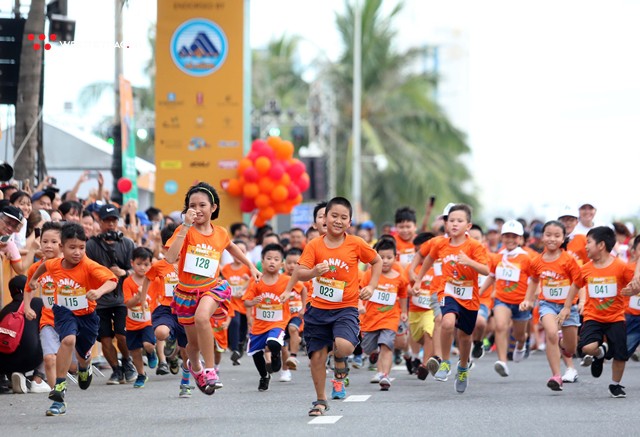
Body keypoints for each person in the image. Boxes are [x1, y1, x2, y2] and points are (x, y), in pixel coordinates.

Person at [281, 197, 381, 416]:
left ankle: (339, 358)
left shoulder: (355, 243)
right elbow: (300, 272)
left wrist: (372, 286)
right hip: (317, 309)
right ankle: (320, 400)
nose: (338, 221)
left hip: (346, 308)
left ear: (350, 221)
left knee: (344, 346)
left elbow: (377, 261)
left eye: (343, 217)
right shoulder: (315, 245)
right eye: (334, 216)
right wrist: (315, 272)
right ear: (324, 219)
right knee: (316, 356)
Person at [165, 182, 260, 395]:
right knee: (192, 346)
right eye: (192, 205)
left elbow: (231, 247)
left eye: (202, 205)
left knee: (202, 318)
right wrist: (185, 228)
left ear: (213, 207)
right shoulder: (184, 230)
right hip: (186, 293)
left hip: (211, 288)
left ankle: (210, 370)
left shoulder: (220, 232)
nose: (197, 210)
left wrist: (251, 265)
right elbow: (170, 257)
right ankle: (195, 367)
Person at [25, 223, 117, 416]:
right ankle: (59, 387)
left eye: (81, 248)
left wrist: (98, 291)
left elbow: (111, 280)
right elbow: (43, 266)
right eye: (72, 248)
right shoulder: (54, 264)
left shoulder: (89, 265)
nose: (77, 252)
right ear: (62, 247)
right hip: (64, 311)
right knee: (68, 340)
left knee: (83, 352)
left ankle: (85, 366)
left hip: (87, 316)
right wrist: (33, 279)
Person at [412, 204, 489, 394]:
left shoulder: (474, 246)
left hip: (469, 296)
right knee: (446, 322)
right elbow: (428, 259)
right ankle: (445, 362)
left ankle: (462, 367)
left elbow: (486, 270)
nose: (455, 224)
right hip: (447, 291)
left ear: (468, 226)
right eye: (451, 221)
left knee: (465, 337)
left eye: (459, 221)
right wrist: (419, 279)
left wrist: (469, 262)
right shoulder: (440, 244)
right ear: (446, 224)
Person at [559, 226, 635, 398]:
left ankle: (615, 385)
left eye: (589, 243)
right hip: (593, 316)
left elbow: (634, 285)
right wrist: (566, 306)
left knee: (620, 354)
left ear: (601, 245)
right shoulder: (586, 268)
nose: (585, 247)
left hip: (616, 317)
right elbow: (575, 286)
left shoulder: (621, 267)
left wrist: (633, 290)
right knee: (586, 348)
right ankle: (600, 354)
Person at [520, 220, 582, 391]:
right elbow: (533, 280)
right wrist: (528, 300)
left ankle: (564, 345)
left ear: (563, 239)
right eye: (548, 235)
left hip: (568, 307)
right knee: (551, 333)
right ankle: (556, 376)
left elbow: (578, 282)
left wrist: (568, 306)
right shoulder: (537, 261)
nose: (552, 239)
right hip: (547, 304)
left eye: (557, 236)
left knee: (571, 348)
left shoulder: (569, 260)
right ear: (542, 237)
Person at [86, 204, 137, 385]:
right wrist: (106, 273)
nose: (110, 224)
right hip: (100, 299)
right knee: (105, 338)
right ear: (99, 223)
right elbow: (86, 269)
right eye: (106, 221)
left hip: (123, 298)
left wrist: (125, 273)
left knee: (122, 335)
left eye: (113, 220)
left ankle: (127, 362)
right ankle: (116, 370)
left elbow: (139, 268)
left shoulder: (128, 243)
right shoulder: (91, 245)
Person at [478, 220, 533, 378]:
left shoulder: (526, 259)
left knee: (519, 335)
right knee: (500, 326)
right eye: (507, 236)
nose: (510, 239)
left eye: (514, 236)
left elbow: (534, 281)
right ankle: (502, 362)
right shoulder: (498, 257)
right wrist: (480, 292)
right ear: (502, 238)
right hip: (502, 299)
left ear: (520, 239)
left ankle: (521, 345)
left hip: (521, 303)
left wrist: (528, 300)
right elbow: (492, 277)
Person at [143, 223, 192, 397]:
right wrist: (142, 301)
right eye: (172, 246)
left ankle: (185, 382)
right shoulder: (161, 265)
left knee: (188, 351)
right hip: (167, 308)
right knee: (161, 333)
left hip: (186, 309)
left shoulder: (191, 262)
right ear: (165, 247)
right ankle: (170, 339)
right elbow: (148, 278)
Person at [360, 238, 408, 390]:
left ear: (396, 257)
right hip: (370, 318)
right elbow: (359, 290)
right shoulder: (369, 275)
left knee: (386, 345)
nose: (385, 261)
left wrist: (404, 311)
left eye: (389, 257)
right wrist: (360, 304)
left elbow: (404, 293)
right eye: (382, 258)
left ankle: (384, 375)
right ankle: (373, 354)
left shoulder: (399, 277)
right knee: (368, 347)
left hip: (390, 318)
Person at [243, 243, 291, 391]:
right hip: (259, 324)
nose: (272, 261)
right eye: (268, 258)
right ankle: (264, 376)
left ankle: (276, 355)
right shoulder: (256, 280)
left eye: (276, 259)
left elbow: (302, 289)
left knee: (274, 342)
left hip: (278, 322)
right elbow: (246, 301)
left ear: (282, 263)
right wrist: (253, 302)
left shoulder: (286, 281)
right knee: (256, 352)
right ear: (262, 262)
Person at [24, 222, 64, 392]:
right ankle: (57, 395)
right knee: (49, 359)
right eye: (45, 241)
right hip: (48, 320)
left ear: (62, 244)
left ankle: (84, 366)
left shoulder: (70, 265)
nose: (48, 245)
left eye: (54, 242)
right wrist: (27, 307)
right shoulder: (36, 268)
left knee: (76, 365)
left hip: (70, 321)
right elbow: (28, 288)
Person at [0, 275, 48, 394]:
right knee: (52, 336)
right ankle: (38, 380)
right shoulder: (38, 304)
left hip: (4, 363)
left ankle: (12, 378)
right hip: (31, 360)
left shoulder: (5, 310)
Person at [123, 247, 157, 388]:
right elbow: (128, 304)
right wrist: (138, 296)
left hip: (148, 322)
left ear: (151, 264)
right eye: (139, 264)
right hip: (132, 323)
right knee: (135, 351)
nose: (142, 268)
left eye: (146, 264)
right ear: (132, 263)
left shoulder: (154, 281)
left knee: (148, 344)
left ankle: (151, 352)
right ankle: (141, 375)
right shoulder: (128, 282)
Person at [406, 232, 438, 380]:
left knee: (428, 333)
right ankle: (431, 353)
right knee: (418, 337)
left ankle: (424, 365)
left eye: (426, 251)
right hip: (415, 310)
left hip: (431, 310)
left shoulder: (438, 268)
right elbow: (403, 286)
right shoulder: (412, 269)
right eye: (419, 251)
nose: (424, 256)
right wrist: (411, 290)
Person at [220, 239, 252, 365]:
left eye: (242, 251)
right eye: (237, 251)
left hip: (244, 305)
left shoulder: (248, 268)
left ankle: (239, 346)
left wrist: (248, 280)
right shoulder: (226, 269)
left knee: (243, 328)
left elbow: (255, 283)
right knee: (235, 322)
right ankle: (234, 349)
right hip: (231, 303)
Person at [280, 247, 308, 382]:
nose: (292, 266)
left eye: (295, 263)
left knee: (293, 328)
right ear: (284, 263)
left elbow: (304, 291)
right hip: (281, 316)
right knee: (282, 345)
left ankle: (294, 355)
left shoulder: (303, 277)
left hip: (295, 314)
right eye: (289, 262)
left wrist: (303, 308)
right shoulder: (281, 278)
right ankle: (285, 370)